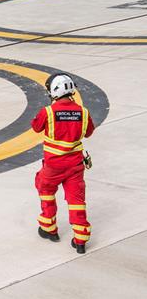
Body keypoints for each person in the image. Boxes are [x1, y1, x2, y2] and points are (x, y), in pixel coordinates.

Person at [30, 74, 95, 254]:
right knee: (76, 200)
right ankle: (81, 239)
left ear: (53, 91)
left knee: (45, 189)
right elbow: (89, 132)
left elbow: (35, 127)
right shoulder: (83, 112)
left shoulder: (48, 112)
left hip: (53, 166)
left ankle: (49, 228)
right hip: (75, 167)